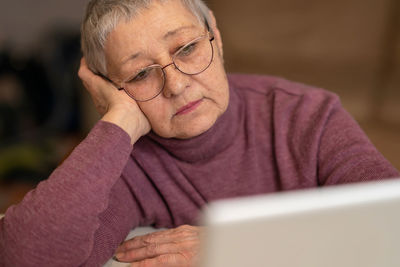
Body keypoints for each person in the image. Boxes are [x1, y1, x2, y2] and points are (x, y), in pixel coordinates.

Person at [1, 0, 399, 266]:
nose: (176, 85)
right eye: (140, 74)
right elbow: (26, 255)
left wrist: (239, 248)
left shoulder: (309, 115)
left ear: (217, 38)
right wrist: (117, 121)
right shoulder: (125, 161)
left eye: (187, 48)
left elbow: (391, 224)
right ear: (113, 89)